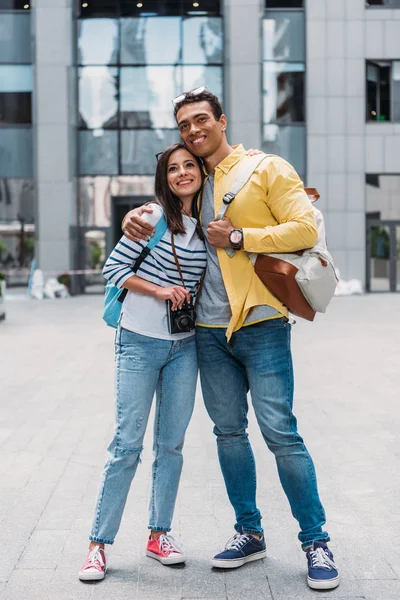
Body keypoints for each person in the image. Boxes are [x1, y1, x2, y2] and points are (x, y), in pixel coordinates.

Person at [122, 88, 340, 591]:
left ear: (222, 120)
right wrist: (138, 213)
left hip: (261, 322)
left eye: (201, 120)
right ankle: (249, 531)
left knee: (281, 433)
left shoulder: (266, 168)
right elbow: (166, 205)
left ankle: (315, 540)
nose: (193, 131)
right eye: (184, 125)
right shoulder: (195, 183)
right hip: (207, 331)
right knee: (228, 434)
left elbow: (303, 226)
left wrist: (242, 238)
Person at [78, 143, 207, 581]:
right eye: (174, 168)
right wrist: (160, 290)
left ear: (202, 173)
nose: (183, 173)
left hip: (184, 346)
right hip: (138, 341)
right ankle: (98, 545)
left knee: (170, 446)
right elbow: (113, 270)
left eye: (190, 165)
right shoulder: (151, 217)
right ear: (164, 177)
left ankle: (158, 534)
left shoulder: (207, 226)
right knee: (127, 445)